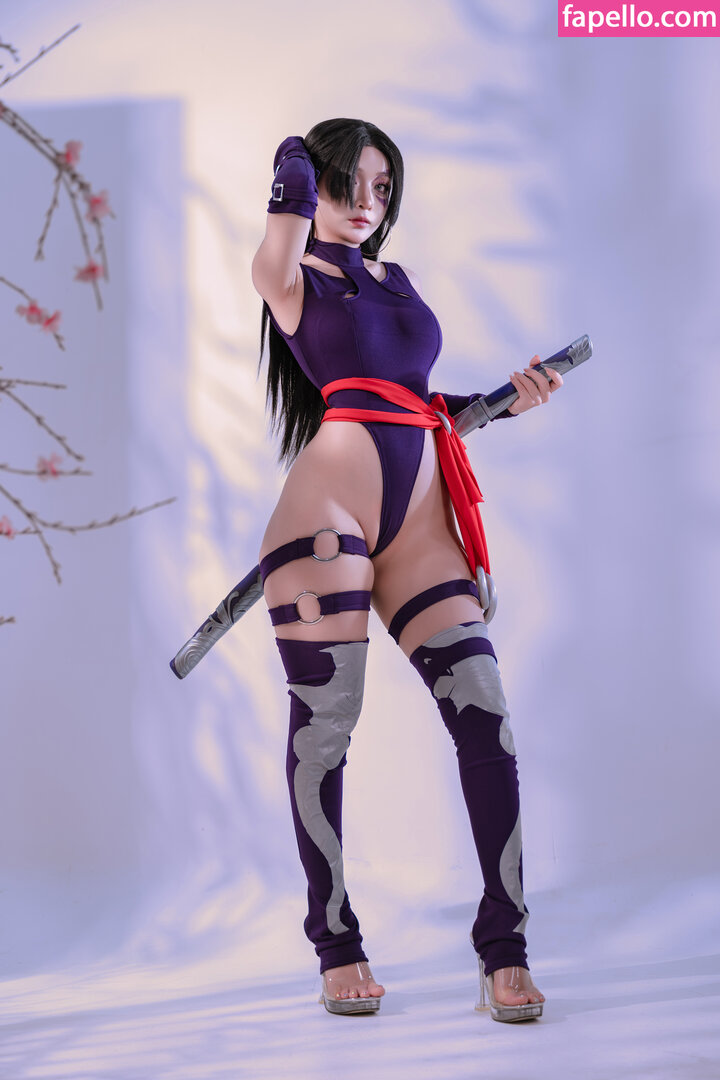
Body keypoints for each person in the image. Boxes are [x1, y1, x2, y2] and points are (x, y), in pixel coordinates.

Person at [251, 118, 561, 1020]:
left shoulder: (399, 280)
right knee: (327, 725)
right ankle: (336, 942)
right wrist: (299, 155)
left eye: (382, 188)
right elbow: (286, 211)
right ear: (314, 190)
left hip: (423, 524)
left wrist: (506, 401)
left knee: (487, 717)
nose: (366, 203)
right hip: (328, 517)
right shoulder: (290, 277)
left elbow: (417, 406)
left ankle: (504, 946)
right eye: (347, 184)